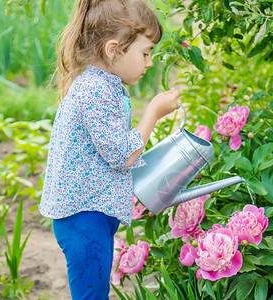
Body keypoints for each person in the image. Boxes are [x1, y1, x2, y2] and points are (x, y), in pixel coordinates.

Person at [39, 0, 180, 298]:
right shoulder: (96, 91)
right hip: (84, 217)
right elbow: (121, 155)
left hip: (88, 214)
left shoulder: (105, 85)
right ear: (113, 49)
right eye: (146, 52)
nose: (150, 61)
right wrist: (153, 111)